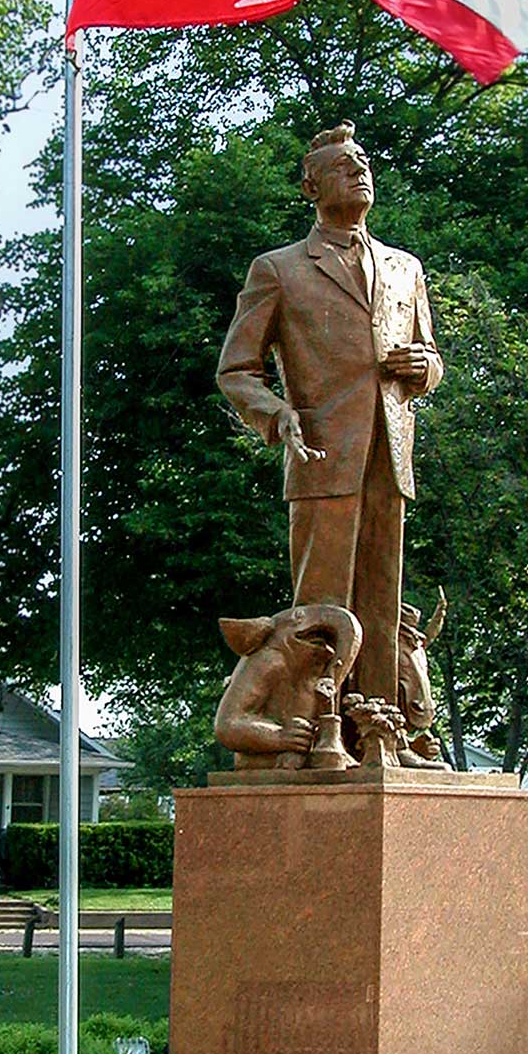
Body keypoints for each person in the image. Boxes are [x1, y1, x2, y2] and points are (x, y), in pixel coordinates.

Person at [217, 121, 442, 715]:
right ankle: (312, 726)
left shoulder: (404, 268)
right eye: (343, 166)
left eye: (364, 162)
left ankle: (380, 727)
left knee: (382, 600)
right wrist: (275, 414)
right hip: (321, 450)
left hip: (389, 453)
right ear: (311, 188)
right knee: (321, 604)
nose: (359, 171)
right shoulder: (279, 269)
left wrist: (425, 367)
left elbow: (431, 357)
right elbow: (237, 369)